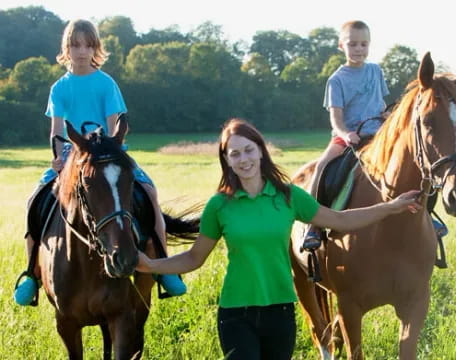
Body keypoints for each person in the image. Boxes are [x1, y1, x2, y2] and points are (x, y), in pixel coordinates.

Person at [135, 118, 421, 360]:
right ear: (227, 160)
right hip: (236, 315)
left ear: (261, 152)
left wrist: (391, 207)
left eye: (248, 150)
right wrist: (149, 265)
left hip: (281, 313)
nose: (243, 159)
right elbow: (193, 258)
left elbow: (341, 220)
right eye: (235, 154)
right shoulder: (219, 206)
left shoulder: (288, 196)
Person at [14, 19, 185, 306]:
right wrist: (57, 158)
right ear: (66, 48)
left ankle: (163, 265)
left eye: (87, 44)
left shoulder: (106, 84)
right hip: (71, 158)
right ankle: (32, 273)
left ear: (96, 48)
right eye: (75, 44)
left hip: (106, 156)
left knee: (149, 191)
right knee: (35, 199)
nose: (81, 51)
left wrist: (107, 152)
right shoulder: (59, 88)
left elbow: (113, 126)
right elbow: (57, 131)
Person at [304, 20, 391, 243]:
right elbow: (336, 118)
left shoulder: (375, 70)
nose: (359, 49)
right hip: (349, 137)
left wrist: (386, 116)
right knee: (323, 166)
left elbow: (379, 104)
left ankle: (426, 215)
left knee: (408, 159)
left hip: (379, 135)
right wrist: (345, 134)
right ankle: (314, 223)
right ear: (341, 45)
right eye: (353, 44)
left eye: (364, 44)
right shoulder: (337, 80)